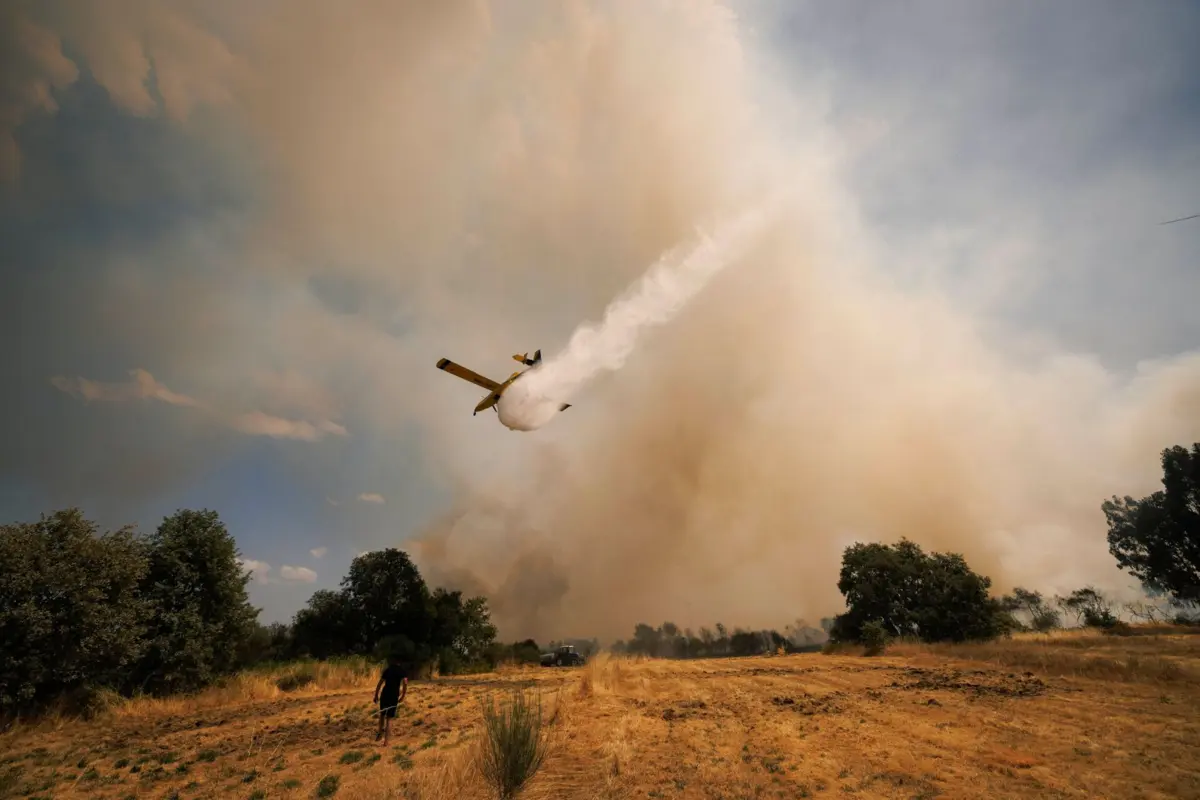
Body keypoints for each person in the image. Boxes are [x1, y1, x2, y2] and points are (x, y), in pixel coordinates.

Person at [373, 657, 408, 745]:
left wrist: (376, 695)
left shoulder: (387, 670)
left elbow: (380, 683)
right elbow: (405, 682)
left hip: (385, 694)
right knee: (389, 719)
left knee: (382, 714)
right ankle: (386, 742)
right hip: (393, 695)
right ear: (400, 662)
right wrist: (403, 695)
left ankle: (380, 732)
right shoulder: (402, 671)